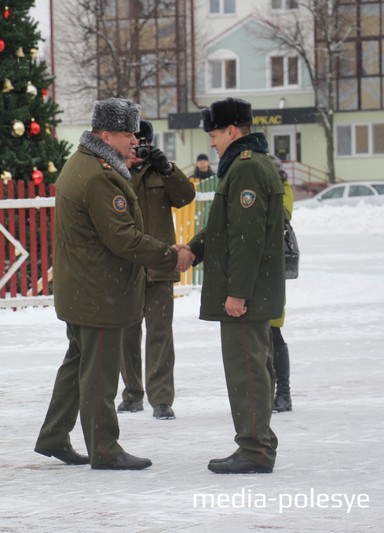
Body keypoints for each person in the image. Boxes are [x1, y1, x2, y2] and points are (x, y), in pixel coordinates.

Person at [33, 98, 192, 470]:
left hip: (83, 288)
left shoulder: (83, 163)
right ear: (105, 134)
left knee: (78, 364)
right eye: (126, 133)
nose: (134, 140)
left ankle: (55, 435)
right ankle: (104, 448)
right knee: (100, 375)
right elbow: (123, 238)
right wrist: (172, 256)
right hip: (99, 291)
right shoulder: (102, 174)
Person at [186, 97, 284, 474]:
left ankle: (255, 448)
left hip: (249, 294)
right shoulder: (249, 165)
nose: (212, 142)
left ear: (231, 131)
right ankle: (259, 441)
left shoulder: (244, 170)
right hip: (256, 291)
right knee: (255, 366)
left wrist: (238, 293)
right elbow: (226, 230)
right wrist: (193, 251)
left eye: (214, 134)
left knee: (247, 369)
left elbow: (247, 238)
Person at [119, 120, 196, 420]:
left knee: (160, 334)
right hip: (127, 266)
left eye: (142, 143)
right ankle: (132, 394)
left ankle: (161, 398)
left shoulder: (161, 171)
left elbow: (185, 197)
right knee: (127, 333)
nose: (136, 147)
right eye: (132, 141)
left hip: (160, 265)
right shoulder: (114, 171)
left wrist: (167, 168)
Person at [269, 155, 294, 413]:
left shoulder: (283, 192)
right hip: (258, 270)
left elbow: (282, 213)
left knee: (274, 333)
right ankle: (267, 391)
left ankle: (283, 392)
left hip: (273, 271)